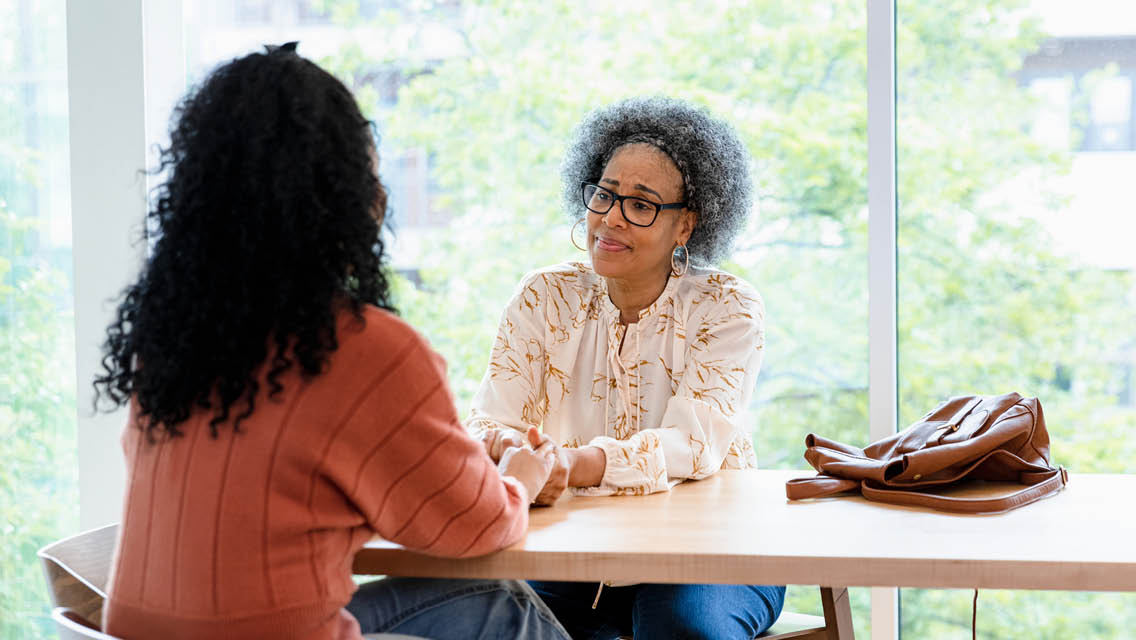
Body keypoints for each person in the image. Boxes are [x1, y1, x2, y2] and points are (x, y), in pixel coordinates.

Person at [93, 43, 568, 640]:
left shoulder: (170, 340)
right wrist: (521, 476)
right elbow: (473, 524)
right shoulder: (362, 350)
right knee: (504, 605)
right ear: (343, 193)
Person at [467, 96, 785, 639]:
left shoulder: (727, 306)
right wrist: (517, 454)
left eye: (641, 204)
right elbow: (487, 422)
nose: (611, 217)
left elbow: (691, 445)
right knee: (499, 624)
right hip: (577, 547)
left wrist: (573, 465)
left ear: (685, 224)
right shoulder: (544, 295)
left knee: (681, 629)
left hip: (712, 545)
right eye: (605, 194)